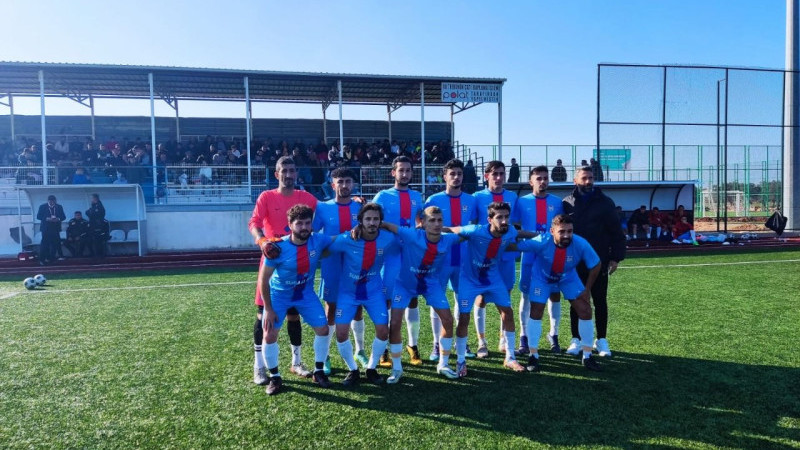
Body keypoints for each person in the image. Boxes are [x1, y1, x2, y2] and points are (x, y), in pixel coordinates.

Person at [446, 202, 536, 376]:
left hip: (493, 279)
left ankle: (510, 357)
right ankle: (460, 360)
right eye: (499, 217)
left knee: (507, 312)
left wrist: (543, 235)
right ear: (489, 219)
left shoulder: (509, 231)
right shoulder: (475, 230)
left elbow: (521, 233)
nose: (504, 221)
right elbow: (452, 230)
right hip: (469, 280)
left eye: (506, 217)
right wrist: (429, 229)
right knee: (463, 318)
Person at [249, 156, 317, 385]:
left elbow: (327, 209)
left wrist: (355, 201)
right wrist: (262, 241)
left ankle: (296, 362)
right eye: (284, 170)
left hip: (297, 266)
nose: (288, 174)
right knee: (263, 317)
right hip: (272, 263)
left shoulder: (306, 198)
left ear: (296, 173)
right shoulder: (266, 197)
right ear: (276, 174)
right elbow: (254, 222)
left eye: (292, 170)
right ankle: (259, 366)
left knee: (293, 315)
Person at [258, 205, 336, 395]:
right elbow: (263, 280)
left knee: (323, 329)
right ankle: (275, 377)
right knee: (269, 335)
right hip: (279, 296)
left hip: (305, 294)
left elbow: (338, 240)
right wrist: (268, 308)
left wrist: (355, 232)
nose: (304, 227)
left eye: (307, 223)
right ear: (290, 225)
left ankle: (318, 372)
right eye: (299, 223)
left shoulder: (318, 240)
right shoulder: (277, 248)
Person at [378, 206, 462, 383]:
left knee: (448, 320)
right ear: (422, 223)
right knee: (395, 322)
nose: (436, 224)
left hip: (431, 285)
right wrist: (362, 226)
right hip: (404, 285)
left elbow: (469, 232)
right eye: (432, 220)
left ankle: (443, 364)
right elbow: (387, 225)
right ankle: (397, 368)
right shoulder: (411, 235)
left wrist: (451, 229)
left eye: (439, 220)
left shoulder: (448, 240)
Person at [516, 214, 603, 372]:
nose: (566, 235)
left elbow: (596, 264)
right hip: (542, 279)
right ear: (552, 231)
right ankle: (533, 355)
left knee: (585, 310)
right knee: (536, 311)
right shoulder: (541, 241)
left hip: (567, 278)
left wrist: (587, 289)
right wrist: (500, 235)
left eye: (569, 231)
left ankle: (587, 355)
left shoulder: (580, 243)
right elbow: (514, 246)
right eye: (562, 231)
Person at [327, 203, 398, 386]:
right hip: (348, 293)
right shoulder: (348, 238)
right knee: (341, 333)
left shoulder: (388, 238)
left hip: (374, 292)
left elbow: (407, 238)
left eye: (376, 219)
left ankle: (371, 368)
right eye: (368, 219)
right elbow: (324, 243)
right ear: (360, 221)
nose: (372, 223)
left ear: (381, 221)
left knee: (383, 330)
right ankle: (352, 370)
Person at [562, 166, 626, 358]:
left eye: (591, 178)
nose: (588, 181)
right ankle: (576, 339)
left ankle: (602, 339)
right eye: (584, 178)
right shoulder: (566, 203)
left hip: (599, 261)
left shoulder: (605, 202)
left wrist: (615, 257)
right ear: (575, 180)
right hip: (574, 262)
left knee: (599, 300)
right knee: (576, 300)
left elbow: (616, 231)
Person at [311, 168, 365, 374]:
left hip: (356, 265)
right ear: (333, 185)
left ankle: (360, 350)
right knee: (331, 308)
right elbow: (313, 234)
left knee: (357, 307)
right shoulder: (323, 208)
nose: (344, 185)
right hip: (332, 265)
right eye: (340, 181)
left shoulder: (361, 207)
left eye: (348, 181)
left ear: (353, 184)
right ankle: (325, 356)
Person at [373, 156, 424, 366]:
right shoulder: (383, 196)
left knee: (412, 299)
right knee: (386, 301)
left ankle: (413, 345)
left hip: (410, 256)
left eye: (408, 170)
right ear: (393, 172)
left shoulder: (417, 196)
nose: (404, 174)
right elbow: (371, 216)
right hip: (389, 257)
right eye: (401, 170)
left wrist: (418, 229)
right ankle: (383, 348)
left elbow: (421, 219)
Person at [424, 159, 477, 361]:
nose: (456, 177)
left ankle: (461, 342)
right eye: (452, 173)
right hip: (440, 260)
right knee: (437, 300)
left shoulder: (471, 200)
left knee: (462, 301)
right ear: (444, 176)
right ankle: (437, 344)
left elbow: (476, 227)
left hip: (464, 259)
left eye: (459, 174)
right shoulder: (433, 200)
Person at [513, 165, 564, 355]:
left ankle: (554, 334)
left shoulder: (557, 202)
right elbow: (514, 226)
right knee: (526, 295)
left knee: (554, 294)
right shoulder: (521, 202)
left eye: (545, 178)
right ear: (531, 181)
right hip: (529, 256)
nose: (542, 181)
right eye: (538, 178)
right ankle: (524, 337)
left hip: (552, 257)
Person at [472, 160, 519, 358]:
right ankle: (481, 342)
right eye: (494, 174)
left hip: (506, 255)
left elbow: (515, 224)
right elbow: (474, 225)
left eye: (502, 174)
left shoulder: (513, 197)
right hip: (484, 256)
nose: (499, 178)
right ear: (486, 176)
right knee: (481, 297)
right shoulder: (477, 197)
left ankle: (503, 339)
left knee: (505, 297)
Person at [36, 195, 66, 265]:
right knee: (44, 244)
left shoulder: (59, 207)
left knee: (54, 244)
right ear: (48, 201)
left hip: (55, 228)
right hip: (46, 229)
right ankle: (42, 259)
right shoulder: (42, 206)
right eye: (50, 201)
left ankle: (51, 259)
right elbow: (38, 216)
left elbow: (63, 217)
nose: (52, 203)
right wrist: (47, 219)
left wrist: (58, 219)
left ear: (55, 201)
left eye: (53, 201)